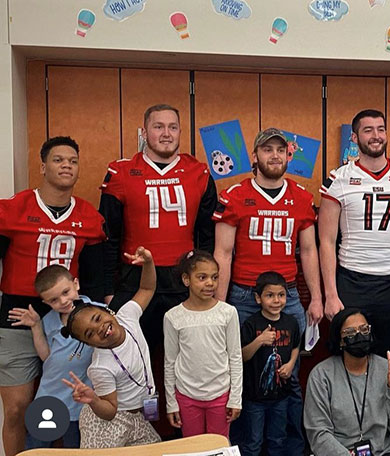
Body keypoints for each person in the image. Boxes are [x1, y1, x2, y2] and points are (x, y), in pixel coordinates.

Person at [213, 127, 321, 453]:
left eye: (280, 150)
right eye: (267, 150)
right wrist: (219, 304)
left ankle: (290, 447)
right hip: (245, 296)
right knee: (242, 376)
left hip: (287, 296)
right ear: (255, 157)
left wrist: (315, 297)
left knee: (289, 375)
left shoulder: (302, 198)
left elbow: (310, 251)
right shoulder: (232, 196)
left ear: (289, 155)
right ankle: (246, 447)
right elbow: (223, 253)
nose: (274, 156)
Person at [0, 136, 106, 456]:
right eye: (59, 160)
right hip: (18, 315)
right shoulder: (12, 209)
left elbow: (96, 278)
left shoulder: (89, 217)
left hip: (66, 319)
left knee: (73, 407)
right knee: (17, 408)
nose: (66, 166)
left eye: (72, 161)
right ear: (43, 166)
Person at [99, 104, 217, 345]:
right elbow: (108, 237)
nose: (166, 133)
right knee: (131, 354)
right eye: (158, 127)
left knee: (188, 354)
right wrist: (108, 289)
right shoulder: (120, 172)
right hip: (135, 280)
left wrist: (205, 281)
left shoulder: (199, 172)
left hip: (183, 280)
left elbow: (207, 237)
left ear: (180, 132)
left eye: (173, 127)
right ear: (144, 133)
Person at [319, 109, 390, 361]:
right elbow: (325, 241)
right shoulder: (339, 179)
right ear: (355, 138)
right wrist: (331, 294)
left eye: (380, 129)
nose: (376, 135)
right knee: (350, 355)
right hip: (352, 281)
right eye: (368, 130)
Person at [61, 246, 161, 448]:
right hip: (107, 422)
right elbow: (110, 410)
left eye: (98, 318)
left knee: (156, 450)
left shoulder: (127, 316)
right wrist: (93, 400)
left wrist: (148, 263)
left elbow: (147, 289)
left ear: (108, 312)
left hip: (138, 414)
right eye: (90, 334)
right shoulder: (101, 367)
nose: (99, 328)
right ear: (90, 344)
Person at [7, 265, 101, 449]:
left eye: (66, 292)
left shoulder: (99, 313)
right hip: (48, 397)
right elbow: (46, 357)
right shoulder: (49, 320)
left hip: (79, 403)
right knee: (35, 448)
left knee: (74, 449)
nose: (63, 301)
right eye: (54, 300)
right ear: (47, 303)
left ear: (76, 284)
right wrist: (35, 326)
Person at [304, 308, 390, 455]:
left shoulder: (387, 369)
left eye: (364, 329)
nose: (359, 335)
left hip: (382, 451)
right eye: (350, 332)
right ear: (340, 340)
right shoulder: (321, 375)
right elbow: (318, 433)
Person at [163, 250, 242, 438]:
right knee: (193, 447)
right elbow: (170, 362)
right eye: (202, 277)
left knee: (219, 446)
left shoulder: (228, 313)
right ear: (186, 279)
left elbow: (235, 357)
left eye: (214, 277)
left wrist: (235, 398)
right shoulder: (173, 316)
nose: (210, 283)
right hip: (187, 396)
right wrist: (171, 402)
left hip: (221, 395)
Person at [238, 271, 301, 456]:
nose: (276, 301)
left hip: (281, 397)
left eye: (281, 295)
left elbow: (296, 345)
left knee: (277, 440)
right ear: (258, 298)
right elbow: (242, 356)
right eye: (269, 295)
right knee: (253, 442)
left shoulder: (291, 322)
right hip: (254, 398)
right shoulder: (251, 324)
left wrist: (290, 364)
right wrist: (259, 341)